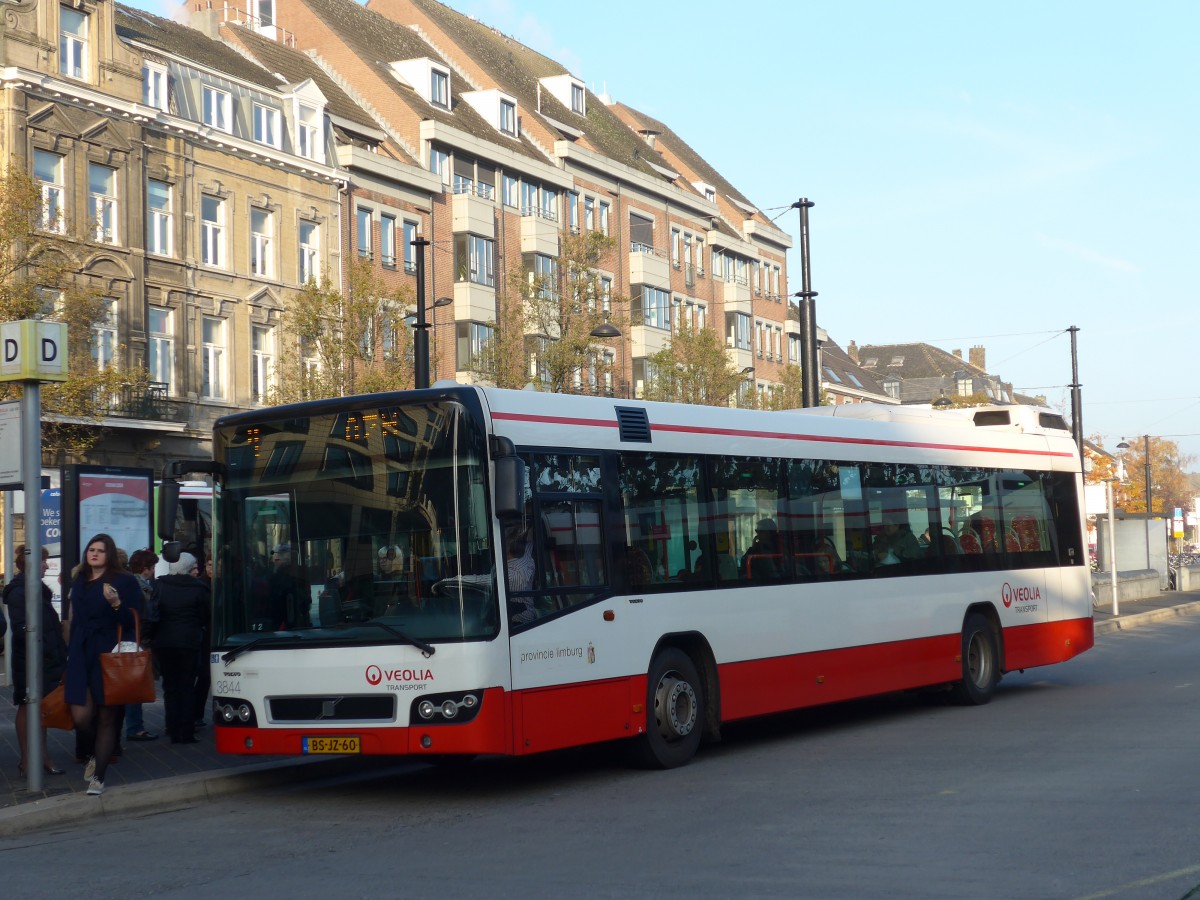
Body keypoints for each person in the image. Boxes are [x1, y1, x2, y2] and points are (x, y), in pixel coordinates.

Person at [65, 533, 144, 797]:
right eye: (91, 549)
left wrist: (116, 604)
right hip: (80, 651)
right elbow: (74, 618)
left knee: (108, 717)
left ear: (109, 555)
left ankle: (98, 777)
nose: (94, 554)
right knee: (81, 716)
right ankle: (90, 755)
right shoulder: (79, 580)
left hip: (108, 651)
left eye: (100, 550)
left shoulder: (124, 581)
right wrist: (69, 649)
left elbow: (134, 617)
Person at [3, 545, 67, 776]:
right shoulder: (21, 592)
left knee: (40, 708)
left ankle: (40, 758)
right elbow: (23, 628)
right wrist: (46, 647)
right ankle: (29, 759)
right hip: (31, 659)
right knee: (28, 705)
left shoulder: (37, 589)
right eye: (42, 561)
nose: (46, 565)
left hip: (44, 658)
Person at [153, 552, 211, 744]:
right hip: (189, 641)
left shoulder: (161, 585)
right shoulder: (199, 588)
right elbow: (205, 615)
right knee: (186, 686)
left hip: (164, 642)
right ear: (189, 569)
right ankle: (186, 731)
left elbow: (154, 612)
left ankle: (171, 727)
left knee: (170, 686)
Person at [124, 548, 160, 743]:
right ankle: (135, 727)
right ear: (146, 569)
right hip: (139, 641)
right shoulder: (142, 587)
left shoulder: (131, 583)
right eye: (152, 567)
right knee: (135, 685)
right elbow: (147, 617)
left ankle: (134, 726)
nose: (153, 572)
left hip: (135, 640)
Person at [505, 526, 537, 625]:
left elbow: (485, 581)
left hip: (519, 623)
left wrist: (458, 578)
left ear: (509, 548)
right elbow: (530, 536)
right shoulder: (525, 554)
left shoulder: (513, 576)